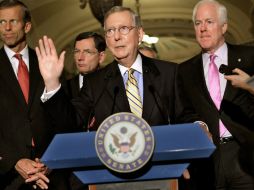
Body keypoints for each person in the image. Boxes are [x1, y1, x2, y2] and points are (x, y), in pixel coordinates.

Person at [36, 6, 203, 189]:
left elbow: (185, 117)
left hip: (162, 176)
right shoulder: (95, 83)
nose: (116, 37)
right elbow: (71, 123)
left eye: (123, 29)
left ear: (139, 34)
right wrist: (52, 83)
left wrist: (199, 127)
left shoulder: (168, 73)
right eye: (110, 31)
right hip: (111, 181)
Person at [178, 0, 254, 189]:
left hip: (246, 156)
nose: (203, 28)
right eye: (198, 23)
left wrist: (251, 84)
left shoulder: (249, 57)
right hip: (207, 161)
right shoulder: (184, 70)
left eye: (209, 22)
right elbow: (184, 111)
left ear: (224, 27)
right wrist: (199, 125)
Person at [0, 0, 75, 189]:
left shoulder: (48, 63)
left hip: (51, 176)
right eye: (1, 22)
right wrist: (15, 161)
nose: (7, 28)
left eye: (13, 22)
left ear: (27, 26)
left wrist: (52, 160)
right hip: (8, 178)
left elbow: (66, 123)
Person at [65, 32, 106, 99]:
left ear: (101, 57)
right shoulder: (66, 87)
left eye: (87, 52)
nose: (80, 58)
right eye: (77, 51)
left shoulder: (113, 85)